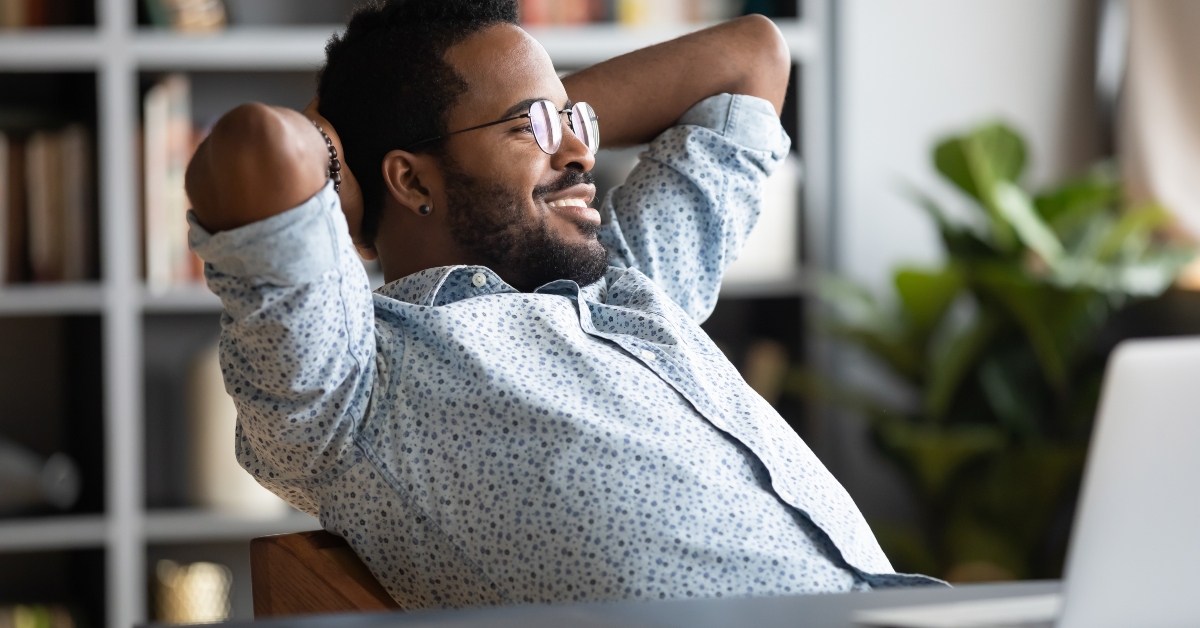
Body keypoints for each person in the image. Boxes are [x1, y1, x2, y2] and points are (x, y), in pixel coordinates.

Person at [184, 0, 940, 610]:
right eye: (535, 127)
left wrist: (533, 120)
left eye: (576, 120)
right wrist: (359, 136)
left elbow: (752, 56)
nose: (584, 151)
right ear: (411, 183)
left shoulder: (631, 284)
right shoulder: (357, 387)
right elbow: (257, 148)